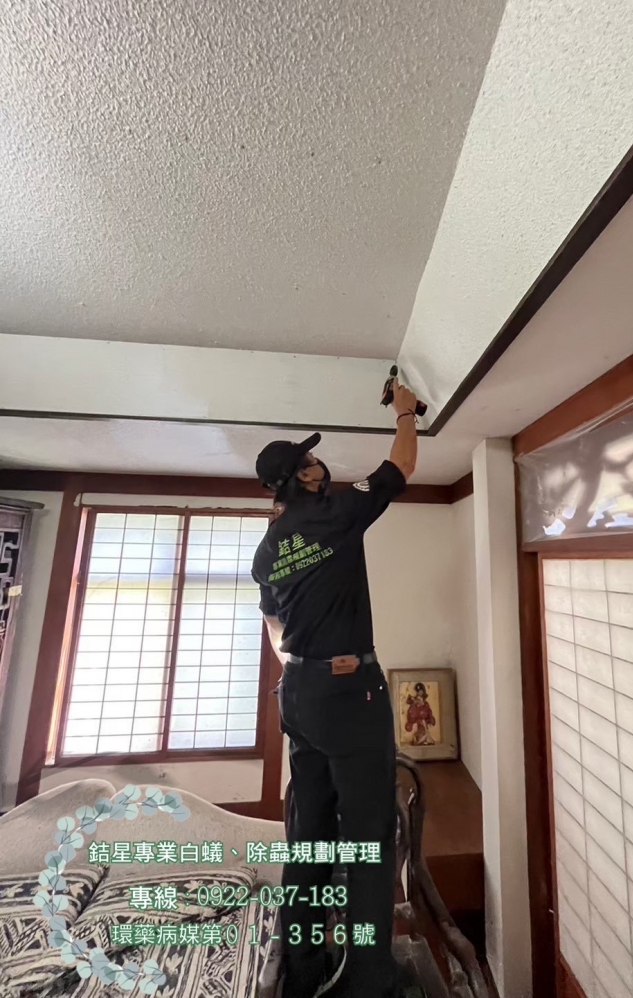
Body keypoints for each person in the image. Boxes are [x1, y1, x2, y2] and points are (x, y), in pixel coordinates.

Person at [251, 379, 419, 998]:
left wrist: (302, 663)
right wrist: (406, 412)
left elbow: (273, 623)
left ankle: (302, 971)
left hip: (298, 695)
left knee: (311, 832)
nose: (321, 464)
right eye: (313, 459)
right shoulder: (336, 512)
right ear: (305, 475)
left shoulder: (268, 548)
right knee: (370, 835)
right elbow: (400, 466)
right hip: (349, 696)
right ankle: (368, 980)